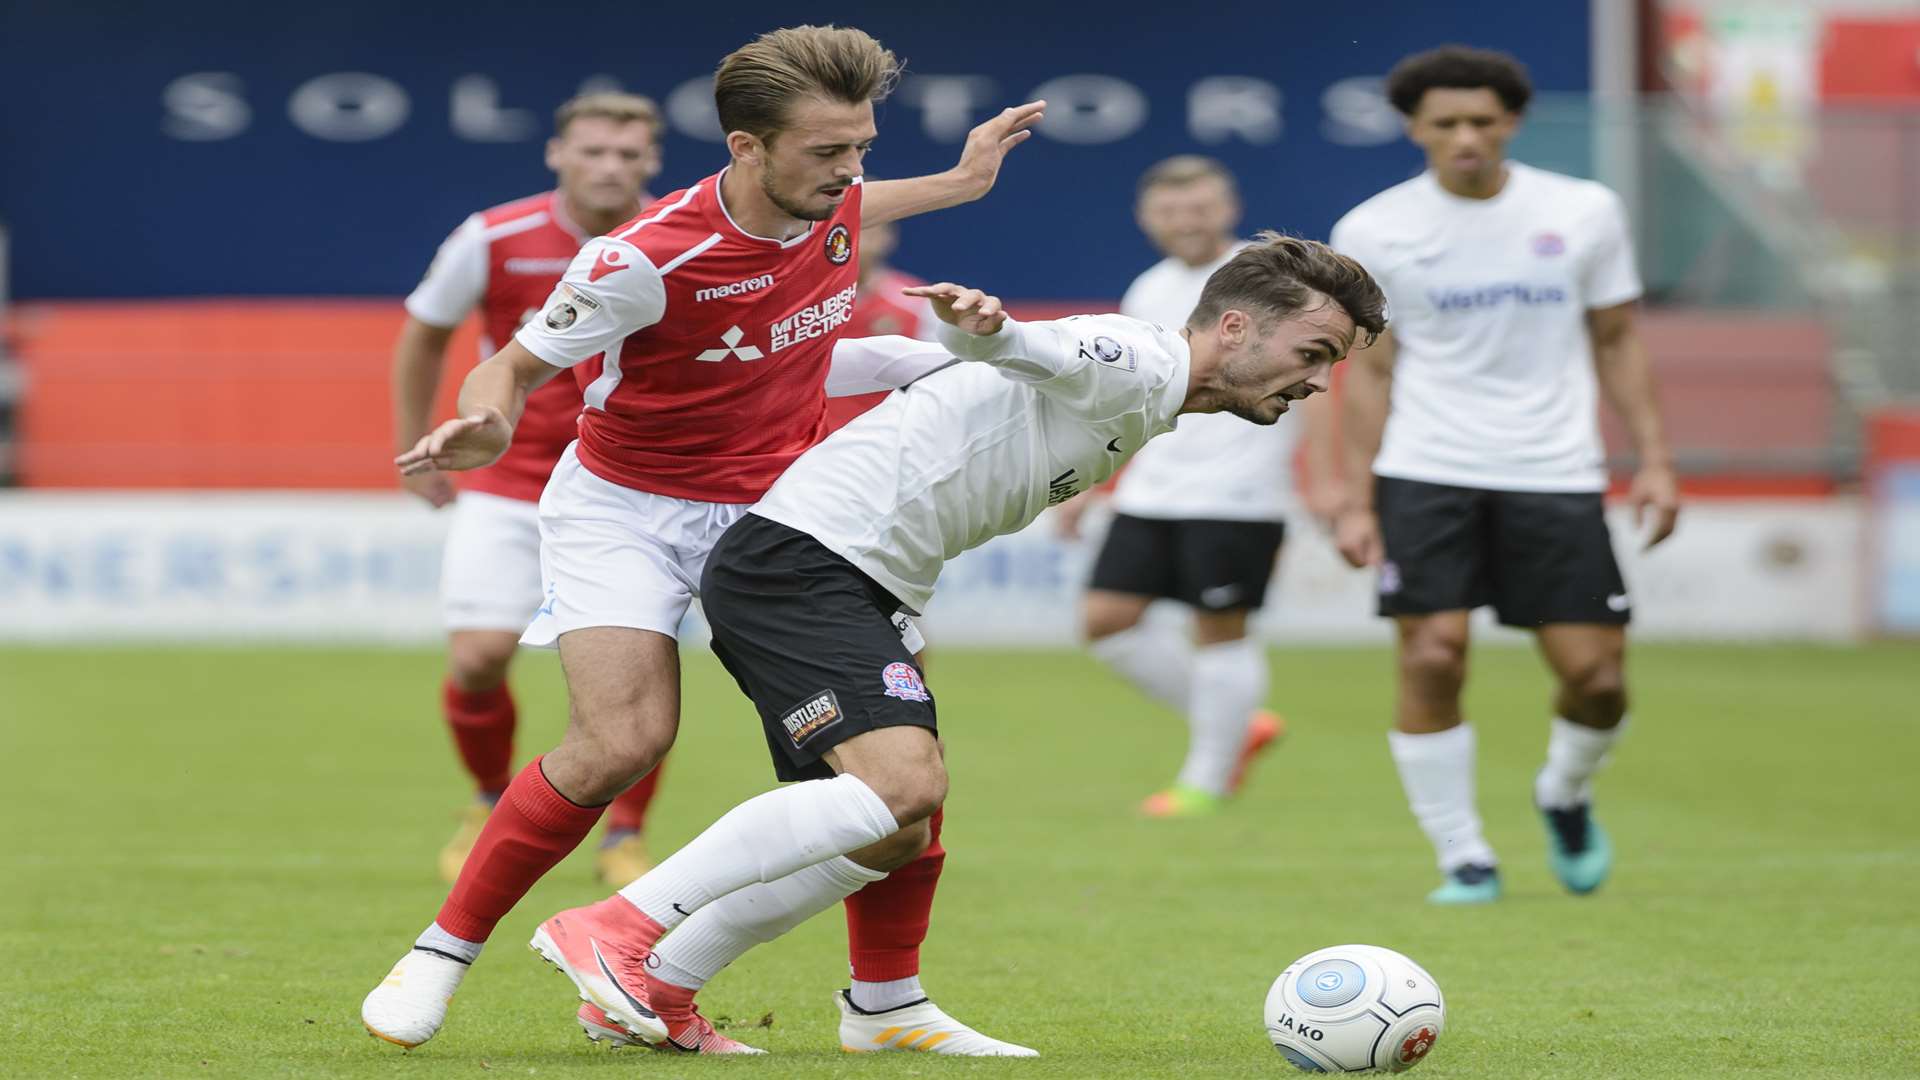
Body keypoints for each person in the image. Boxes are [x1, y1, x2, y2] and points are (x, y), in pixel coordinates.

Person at [523, 234, 1387, 1050]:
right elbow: (1047, 351)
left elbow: (984, 370)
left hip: (859, 577)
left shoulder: (1154, 391)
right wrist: (996, 329)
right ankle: (618, 926)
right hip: (804, 563)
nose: (1317, 381)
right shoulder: (1142, 357)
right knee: (902, 785)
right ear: (1235, 325)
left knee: (897, 828)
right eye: (1312, 354)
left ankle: (822, 1002)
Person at [363, 24, 1046, 1055]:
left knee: (891, 753)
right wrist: (485, 425)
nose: (851, 174)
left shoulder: (837, 210)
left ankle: (887, 1008)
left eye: (860, 146)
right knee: (621, 744)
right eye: (828, 152)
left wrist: (963, 181)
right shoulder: (645, 259)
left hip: (783, 515)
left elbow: (854, 263)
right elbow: (506, 366)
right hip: (626, 508)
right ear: (746, 148)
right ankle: (441, 951)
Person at [1325, 46, 1680, 905]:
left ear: (1511, 122)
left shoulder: (1584, 211)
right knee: (1434, 654)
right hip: (1427, 469)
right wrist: (1354, 495)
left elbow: (1618, 339)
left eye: (1483, 121)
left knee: (1597, 678)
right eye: (1446, 123)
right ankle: (1465, 856)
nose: (1466, 137)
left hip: (1555, 471)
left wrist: (1657, 461)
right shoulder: (1373, 230)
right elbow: (1366, 371)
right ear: (1416, 129)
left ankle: (1563, 791)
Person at [392, 92, 670, 888]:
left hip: (632, 487)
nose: (610, 166)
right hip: (512, 480)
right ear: (558, 154)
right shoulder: (494, 236)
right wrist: (415, 445)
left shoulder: (679, 237)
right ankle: (486, 799)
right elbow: (424, 331)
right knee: (479, 657)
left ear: (651, 160)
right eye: (593, 151)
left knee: (635, 676)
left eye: (627, 153)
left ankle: (624, 835)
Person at [1055, 155, 1302, 818]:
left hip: (1240, 488)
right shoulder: (1150, 288)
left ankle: (1206, 780)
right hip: (1155, 484)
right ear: (1147, 218)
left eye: (1199, 208)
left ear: (1228, 208)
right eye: (1171, 211)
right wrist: (1087, 481)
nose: (1186, 222)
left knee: (1220, 627)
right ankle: (1236, 725)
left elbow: (1327, 376)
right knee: (1107, 624)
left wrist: (1332, 479)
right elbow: (1130, 395)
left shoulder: (1272, 277)